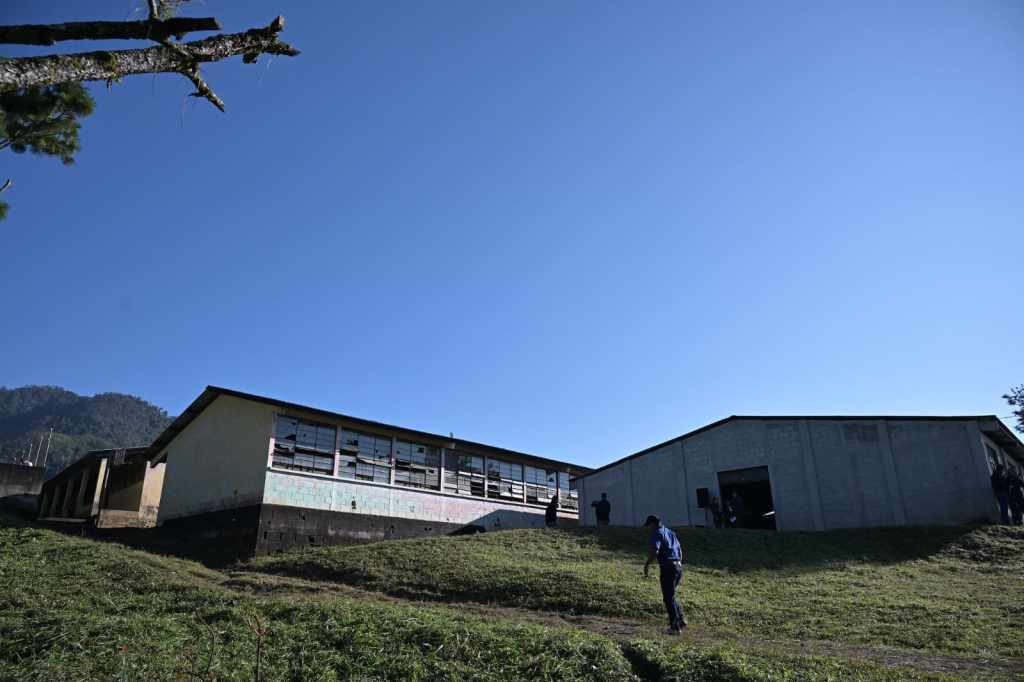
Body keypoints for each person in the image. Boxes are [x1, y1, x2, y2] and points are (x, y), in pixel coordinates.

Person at [643, 514, 686, 634]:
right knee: (671, 596)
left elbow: (655, 550)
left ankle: (675, 627)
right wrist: (678, 562)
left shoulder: (657, 533)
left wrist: (647, 565)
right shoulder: (670, 532)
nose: (649, 528)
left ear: (653, 524)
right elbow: (679, 548)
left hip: (667, 567)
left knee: (668, 598)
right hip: (678, 566)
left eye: (649, 525)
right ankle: (681, 620)